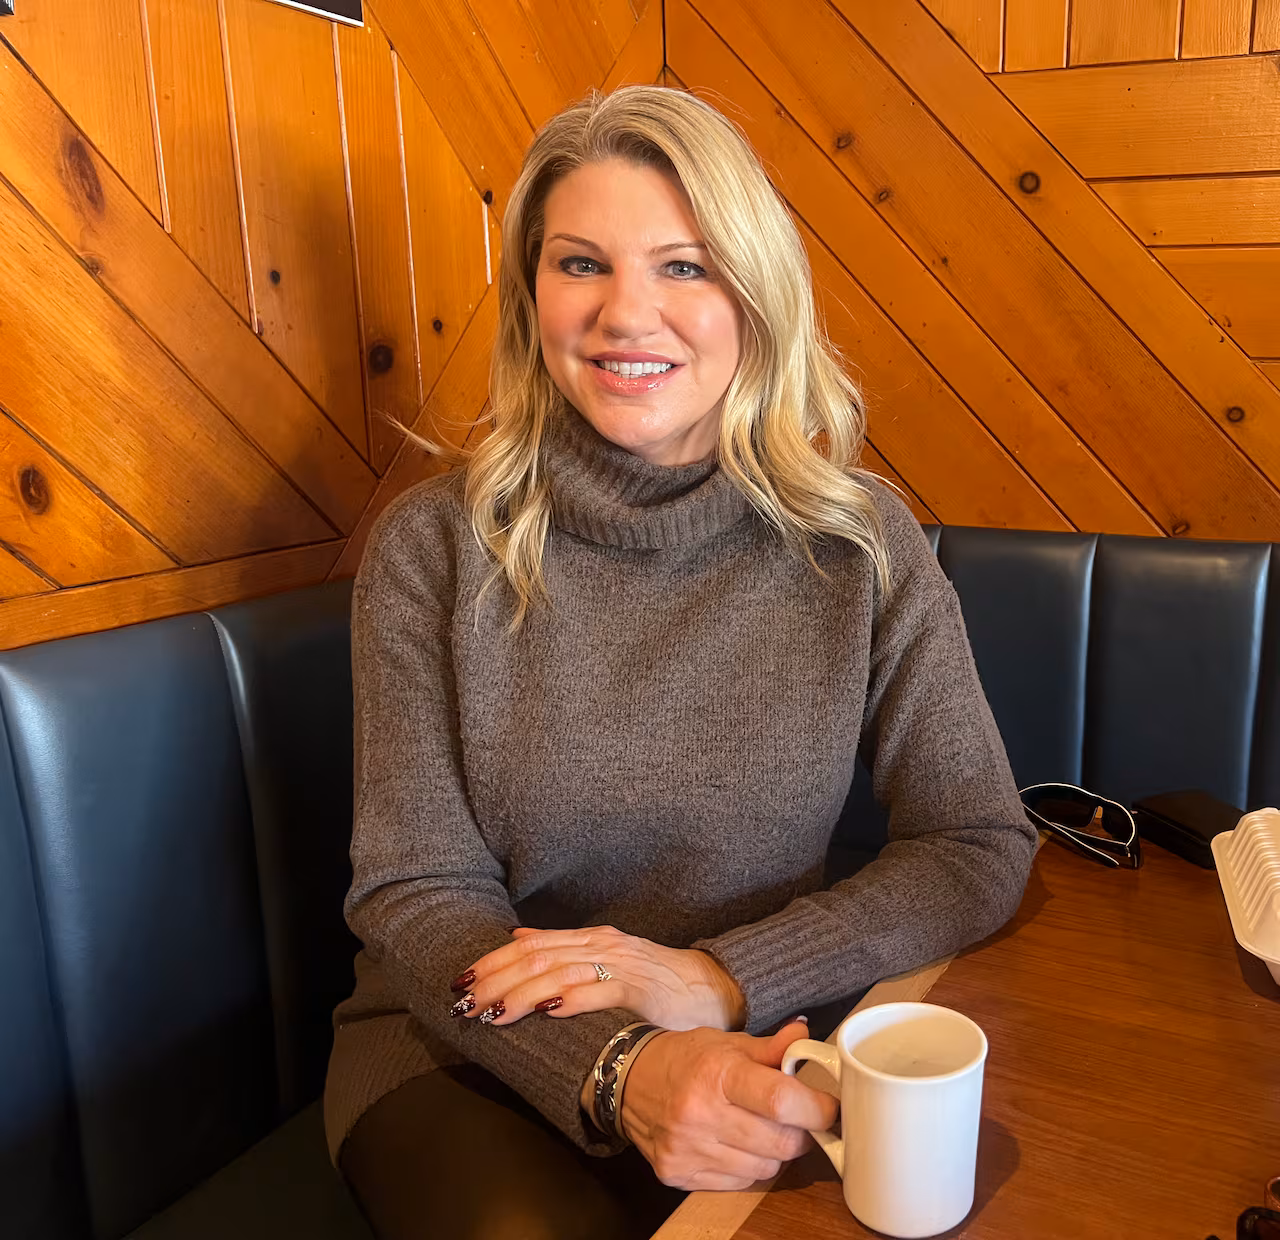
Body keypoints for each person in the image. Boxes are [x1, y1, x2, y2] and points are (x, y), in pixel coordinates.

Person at [325, 84, 1037, 1240]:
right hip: (464, 1052)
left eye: (684, 266)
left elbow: (973, 842)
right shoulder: (432, 548)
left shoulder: (857, 544)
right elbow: (415, 893)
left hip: (761, 1032)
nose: (626, 313)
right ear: (532, 296)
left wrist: (715, 979)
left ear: (753, 294)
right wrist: (620, 1065)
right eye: (580, 263)